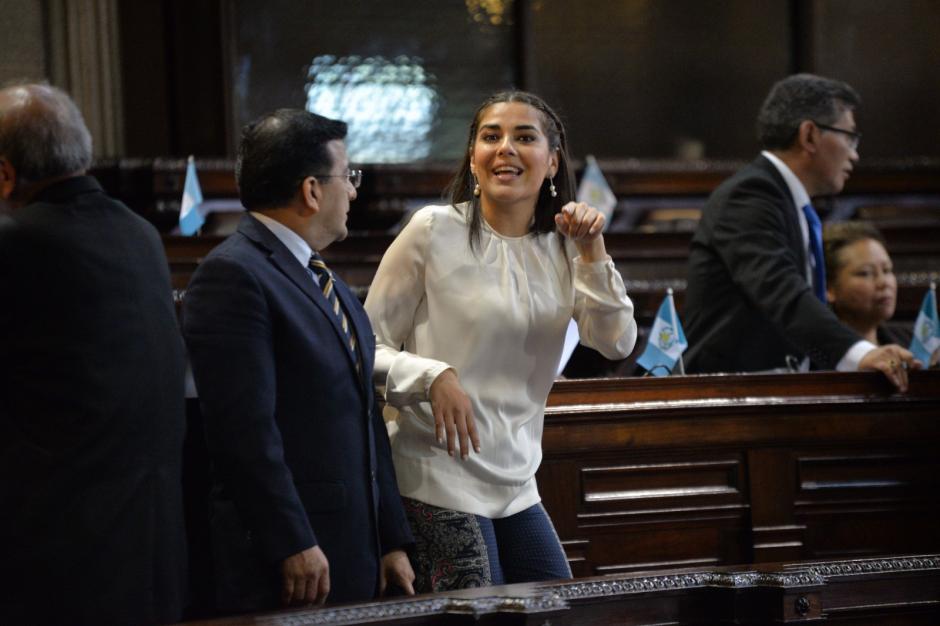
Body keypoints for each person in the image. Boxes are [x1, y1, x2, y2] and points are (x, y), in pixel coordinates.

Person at [364, 91, 637, 591]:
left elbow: (616, 342)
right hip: (433, 470)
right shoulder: (431, 230)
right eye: (491, 137)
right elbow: (365, 347)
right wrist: (431, 375)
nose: (505, 148)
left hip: (516, 481)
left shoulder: (566, 246)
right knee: (481, 612)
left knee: (558, 608)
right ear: (473, 158)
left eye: (524, 137)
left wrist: (593, 251)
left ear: (553, 161)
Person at [182, 109, 414, 613]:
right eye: (348, 177)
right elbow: (242, 432)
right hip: (289, 561)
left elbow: (364, 416)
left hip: (354, 550)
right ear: (311, 190)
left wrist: (390, 538)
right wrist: (289, 541)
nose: (354, 191)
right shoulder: (232, 277)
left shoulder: (325, 279)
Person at [0, 83, 188, 624]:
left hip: (54, 568)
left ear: (6, 173)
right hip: (153, 554)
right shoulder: (142, 236)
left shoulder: (15, 243)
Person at [683, 73, 919, 389]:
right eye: (849, 136)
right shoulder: (750, 196)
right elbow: (781, 291)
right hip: (730, 400)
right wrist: (859, 353)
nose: (855, 153)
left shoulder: (788, 201)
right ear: (809, 135)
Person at [823, 221, 909, 346]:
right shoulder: (813, 356)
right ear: (829, 288)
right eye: (865, 273)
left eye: (887, 270)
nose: (883, 283)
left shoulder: (911, 342)